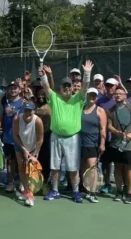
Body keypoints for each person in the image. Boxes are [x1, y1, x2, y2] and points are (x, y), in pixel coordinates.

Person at [39, 61, 93, 203]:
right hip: (56, 136)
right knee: (55, 166)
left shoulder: (78, 99)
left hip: (73, 138)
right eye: (64, 86)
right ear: (61, 88)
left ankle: (75, 192)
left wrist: (87, 73)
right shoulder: (54, 98)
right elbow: (45, 86)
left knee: (73, 167)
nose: (67, 88)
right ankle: (55, 190)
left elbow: (85, 87)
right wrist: (43, 76)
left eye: (69, 86)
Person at [106, 87, 131, 204]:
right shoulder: (111, 110)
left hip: (129, 145)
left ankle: (129, 193)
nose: (118, 95)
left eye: (120, 93)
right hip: (115, 144)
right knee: (117, 167)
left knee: (128, 168)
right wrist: (117, 132)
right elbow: (109, 125)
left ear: (125, 96)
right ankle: (119, 191)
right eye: (116, 93)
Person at [13, 101, 44, 207]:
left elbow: (40, 139)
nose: (28, 112)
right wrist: (24, 150)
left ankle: (30, 193)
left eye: (30, 110)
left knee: (30, 170)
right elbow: (15, 135)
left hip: (33, 147)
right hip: (20, 144)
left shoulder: (38, 121)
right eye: (26, 110)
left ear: (34, 111)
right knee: (21, 166)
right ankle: (26, 191)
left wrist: (34, 154)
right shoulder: (17, 119)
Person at [79, 87, 107, 203]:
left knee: (92, 168)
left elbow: (103, 129)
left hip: (92, 143)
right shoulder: (81, 108)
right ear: (87, 95)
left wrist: (102, 144)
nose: (92, 97)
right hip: (80, 143)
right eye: (90, 95)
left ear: (96, 98)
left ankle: (92, 192)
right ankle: (86, 189)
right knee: (83, 167)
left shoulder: (100, 111)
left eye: (94, 96)